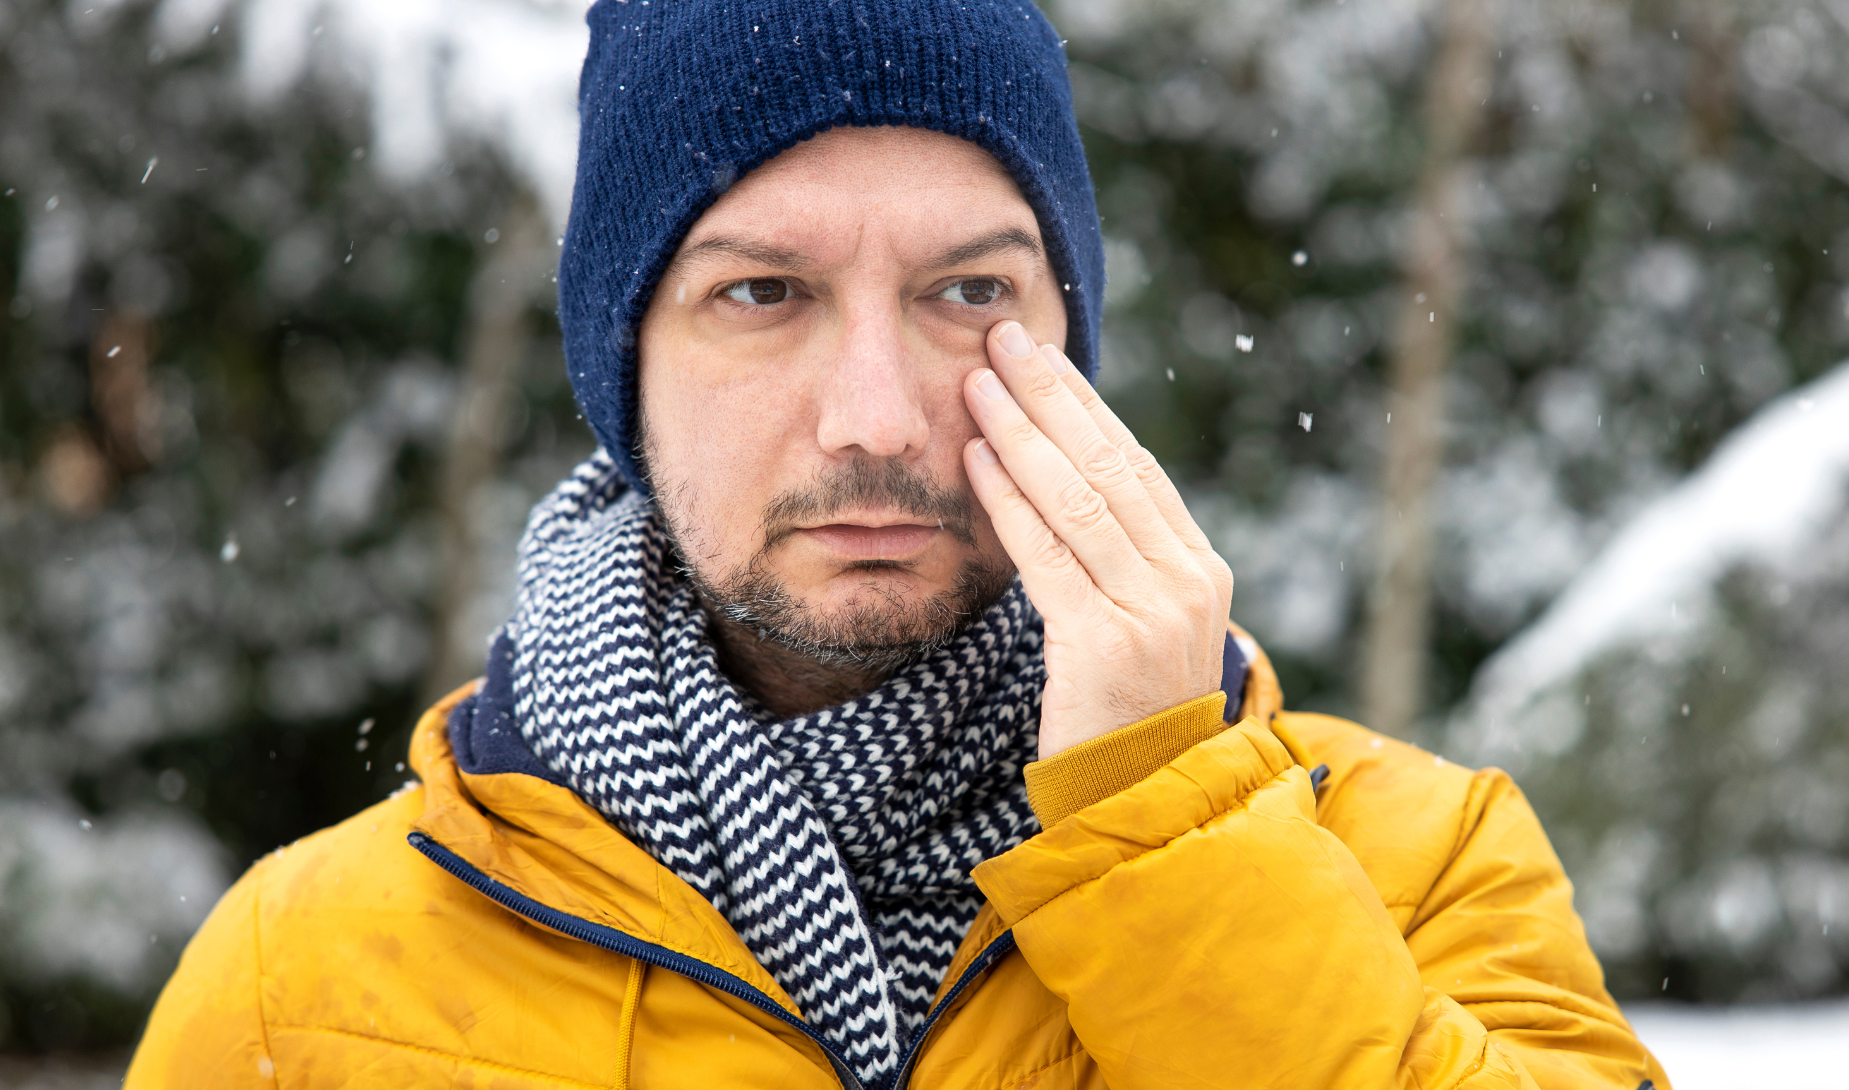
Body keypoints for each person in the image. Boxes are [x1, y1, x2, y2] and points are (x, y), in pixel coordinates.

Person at [127, 1, 1672, 1087]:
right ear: (625, 366)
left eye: (970, 292)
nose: (873, 418)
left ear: (1070, 342)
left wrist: (1169, 826)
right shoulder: (297, 982)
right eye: (761, 292)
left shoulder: (1418, 864)